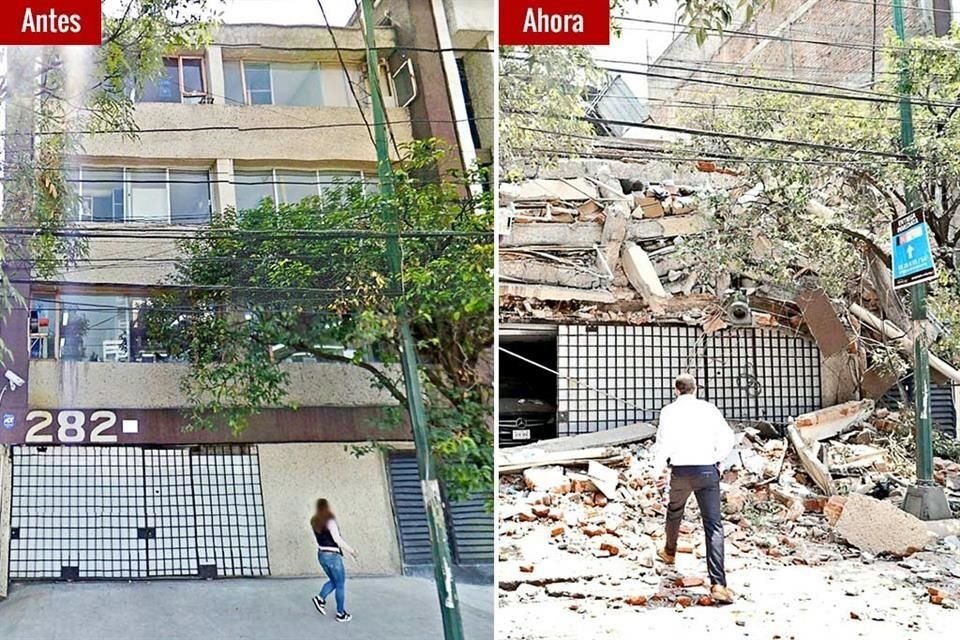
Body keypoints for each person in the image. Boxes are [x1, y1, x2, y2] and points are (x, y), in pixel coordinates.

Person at [652, 373, 737, 604]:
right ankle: (718, 584)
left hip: (680, 471)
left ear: (675, 390)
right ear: (696, 388)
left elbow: (662, 443)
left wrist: (658, 470)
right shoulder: (709, 409)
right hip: (707, 470)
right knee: (713, 525)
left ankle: (669, 551)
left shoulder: (668, 411)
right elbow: (728, 438)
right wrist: (718, 461)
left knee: (674, 510)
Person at [310, 498, 358, 622]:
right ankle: (340, 614)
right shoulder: (330, 521)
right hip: (332, 556)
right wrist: (351, 550)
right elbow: (337, 539)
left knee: (334, 580)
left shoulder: (314, 521)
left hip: (321, 555)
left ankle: (320, 599)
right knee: (340, 584)